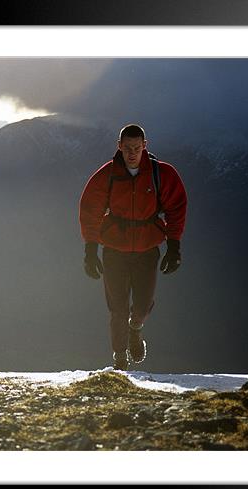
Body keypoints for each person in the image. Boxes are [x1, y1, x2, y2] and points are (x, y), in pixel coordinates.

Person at [78, 124, 187, 370]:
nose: (132, 153)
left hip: (147, 250)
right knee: (117, 308)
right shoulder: (107, 175)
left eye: (137, 148)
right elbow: (90, 210)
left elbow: (176, 208)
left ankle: (135, 328)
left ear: (145, 146)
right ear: (119, 147)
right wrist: (90, 250)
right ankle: (119, 359)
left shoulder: (162, 174)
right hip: (114, 250)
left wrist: (174, 246)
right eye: (127, 148)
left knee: (142, 305)